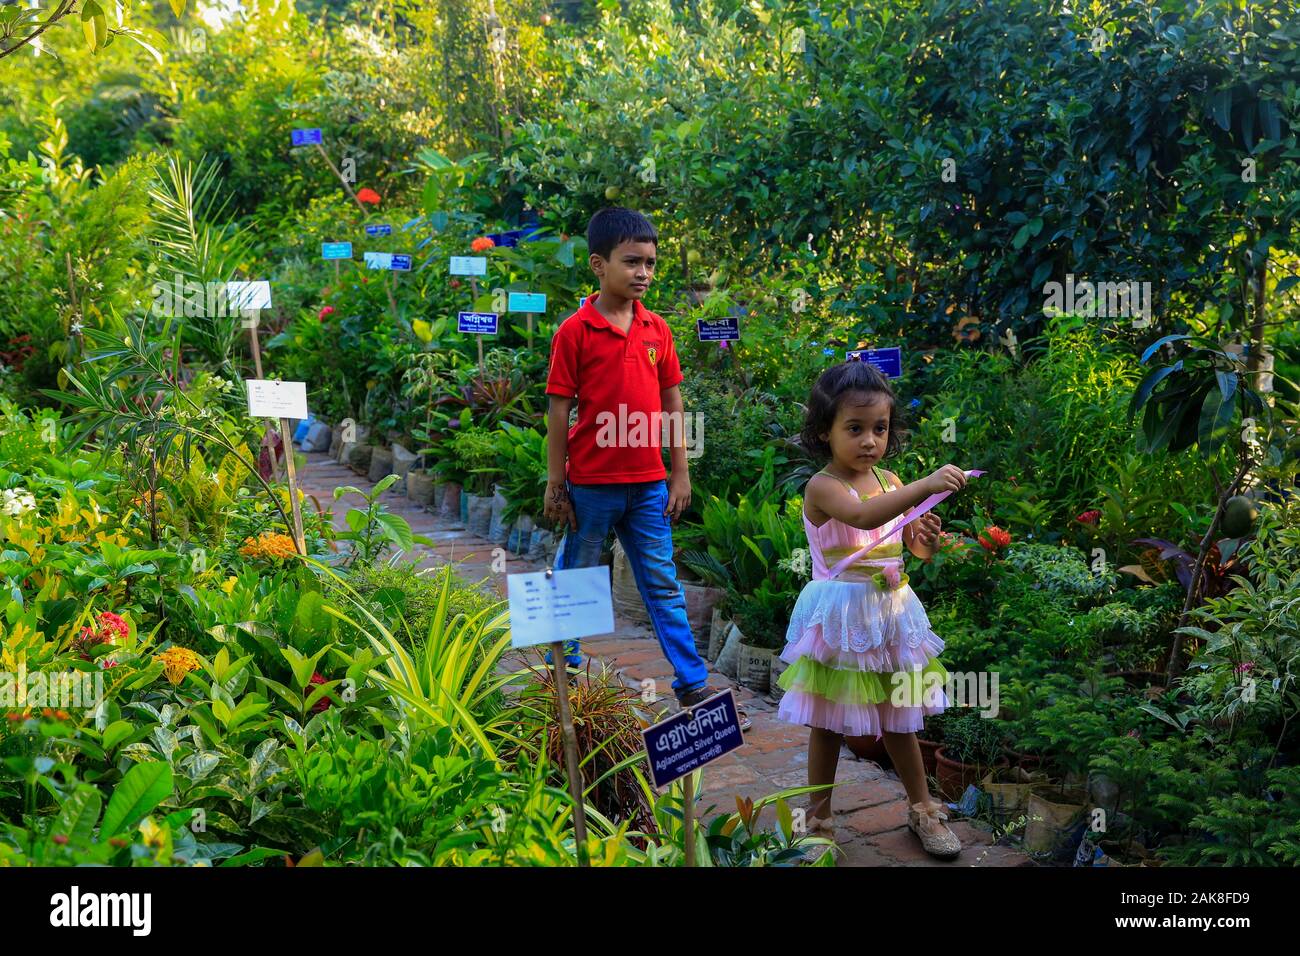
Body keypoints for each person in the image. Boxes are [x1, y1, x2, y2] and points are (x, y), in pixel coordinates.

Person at [541, 207, 751, 730]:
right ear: (599, 264)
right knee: (576, 578)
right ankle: (559, 680)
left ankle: (692, 684)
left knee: (662, 585)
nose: (643, 273)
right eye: (632, 261)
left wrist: (680, 472)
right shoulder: (576, 331)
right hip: (590, 486)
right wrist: (556, 481)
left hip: (649, 485)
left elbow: (672, 403)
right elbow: (559, 410)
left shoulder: (657, 330)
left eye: (651, 263)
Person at [775, 359, 969, 860]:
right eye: (855, 428)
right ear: (825, 431)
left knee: (901, 716)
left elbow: (912, 548)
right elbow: (862, 517)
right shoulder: (822, 486)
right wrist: (924, 486)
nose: (869, 441)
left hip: (890, 614)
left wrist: (926, 536)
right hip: (841, 619)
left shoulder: (889, 480)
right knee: (828, 722)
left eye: (879, 429)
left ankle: (922, 808)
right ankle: (818, 819)